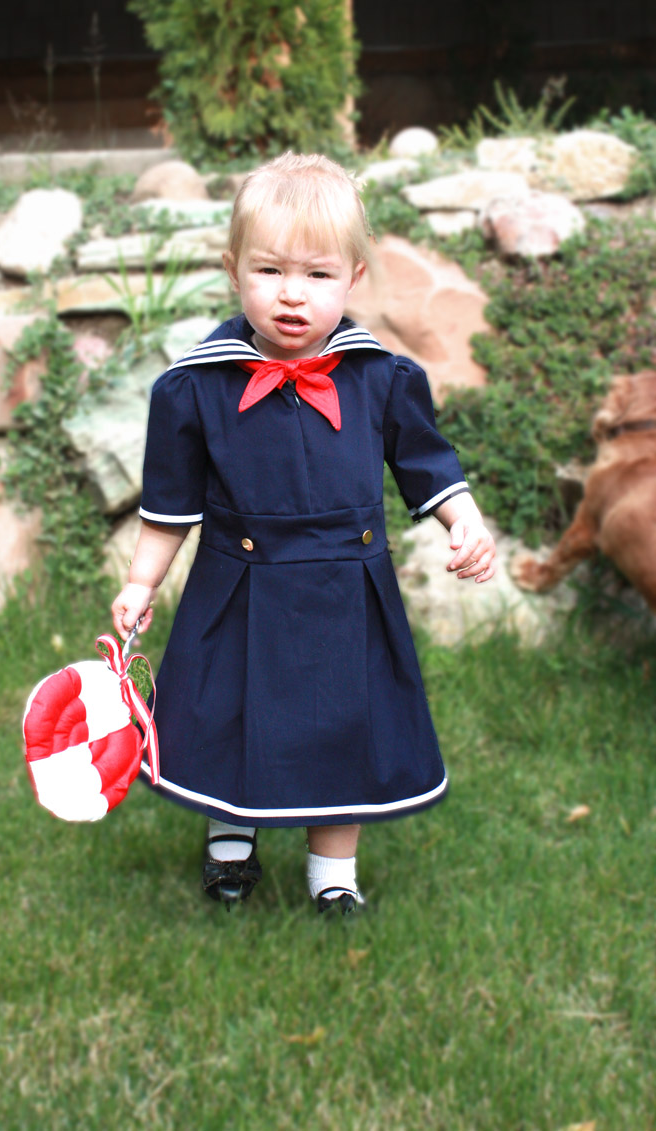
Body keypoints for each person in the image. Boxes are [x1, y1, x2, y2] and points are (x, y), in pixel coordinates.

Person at [111, 151, 496, 915]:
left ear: (353, 278)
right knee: (230, 715)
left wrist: (465, 520)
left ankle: (333, 875)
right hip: (240, 586)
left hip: (346, 590)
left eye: (318, 275)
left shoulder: (381, 377)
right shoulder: (195, 386)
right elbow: (170, 506)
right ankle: (231, 841)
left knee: (341, 723)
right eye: (269, 271)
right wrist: (139, 581)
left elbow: (426, 463)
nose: (292, 295)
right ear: (233, 270)